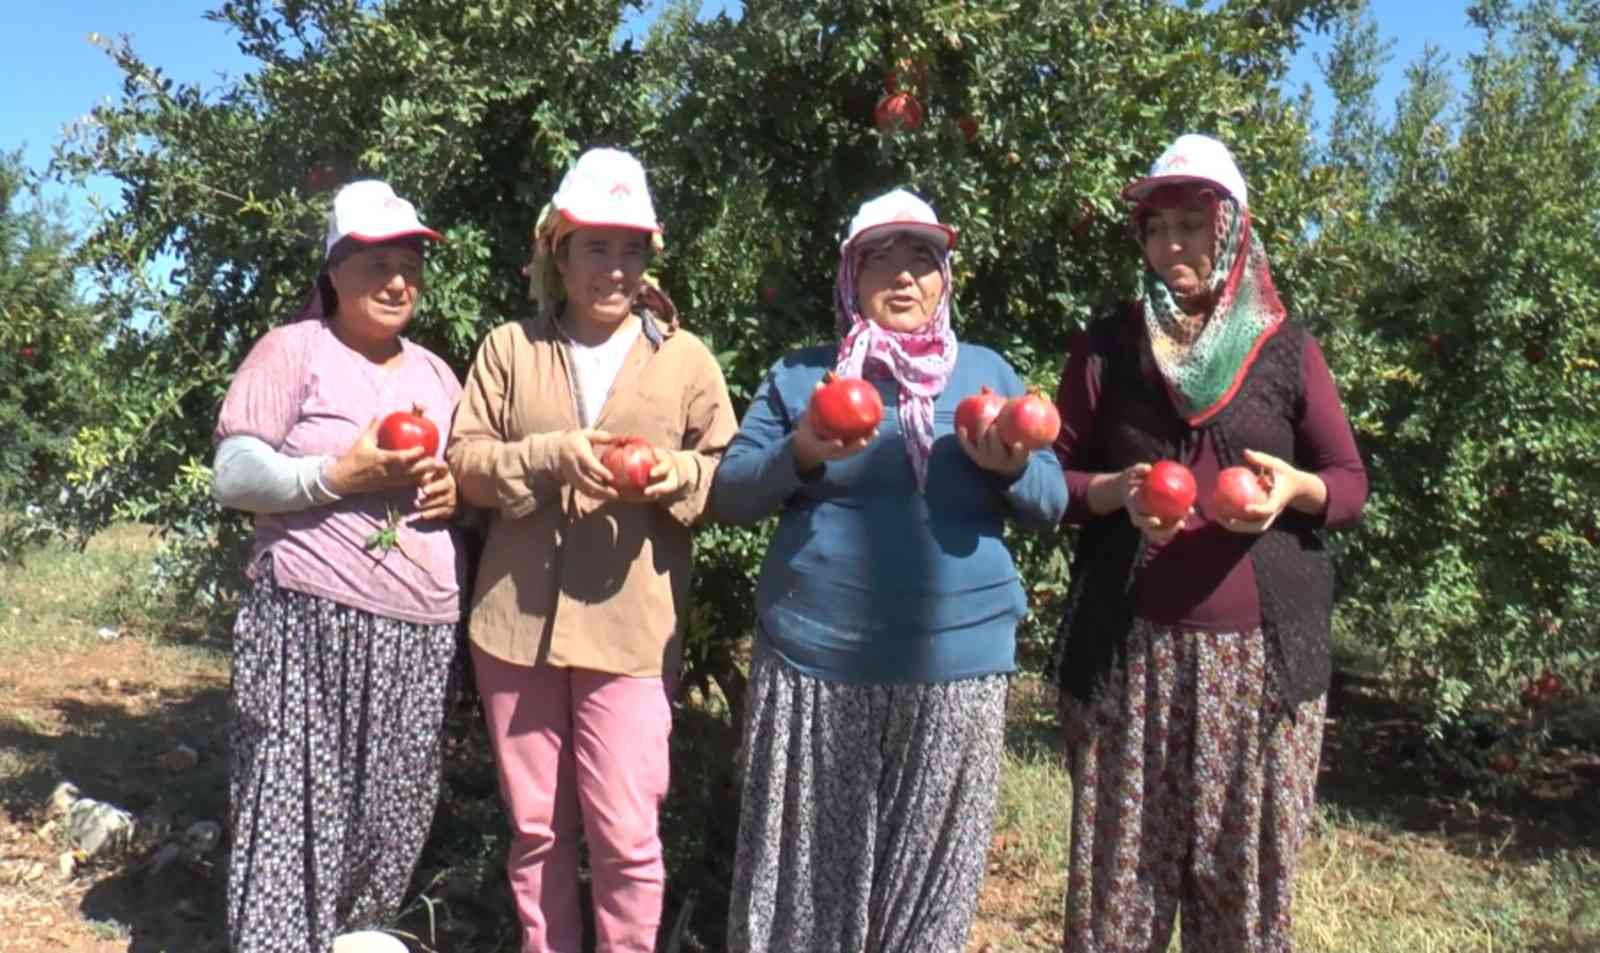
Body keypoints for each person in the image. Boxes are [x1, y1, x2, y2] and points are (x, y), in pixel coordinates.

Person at [712, 188, 1068, 952]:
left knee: (925, 894)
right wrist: (801, 449)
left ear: (945, 277)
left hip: (959, 667)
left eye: (922, 258)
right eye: (881, 256)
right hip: (817, 661)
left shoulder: (985, 375)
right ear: (850, 275)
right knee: (807, 895)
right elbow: (731, 493)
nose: (903, 276)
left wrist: (1005, 467)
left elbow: (1052, 499)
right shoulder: (803, 377)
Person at [1049, 133, 1368, 953]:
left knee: (1242, 894)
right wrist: (1116, 492)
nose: (1172, 245)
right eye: (1157, 229)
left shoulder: (1284, 348)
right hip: (1130, 657)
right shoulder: (1108, 345)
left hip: (1256, 665)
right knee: (1121, 898)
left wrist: (1294, 491)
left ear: (1231, 231)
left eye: (1192, 224)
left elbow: (1348, 479)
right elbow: (1055, 482)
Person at [445, 147, 737, 953]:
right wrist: (544, 457)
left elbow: (731, 476)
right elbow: (465, 463)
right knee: (536, 830)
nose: (615, 266)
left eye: (630, 247)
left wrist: (668, 475)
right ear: (559, 252)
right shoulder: (510, 349)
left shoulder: (685, 360)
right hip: (516, 626)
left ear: (650, 257)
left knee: (626, 835)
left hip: (630, 631)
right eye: (596, 247)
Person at [212, 180, 463, 953]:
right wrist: (334, 475)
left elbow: (467, 482)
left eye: (409, 263)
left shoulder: (438, 376)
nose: (396, 281)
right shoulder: (292, 351)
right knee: (289, 806)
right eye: (376, 262)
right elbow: (235, 473)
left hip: (420, 635)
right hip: (307, 621)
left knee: (386, 823)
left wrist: (459, 491)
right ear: (335, 271)